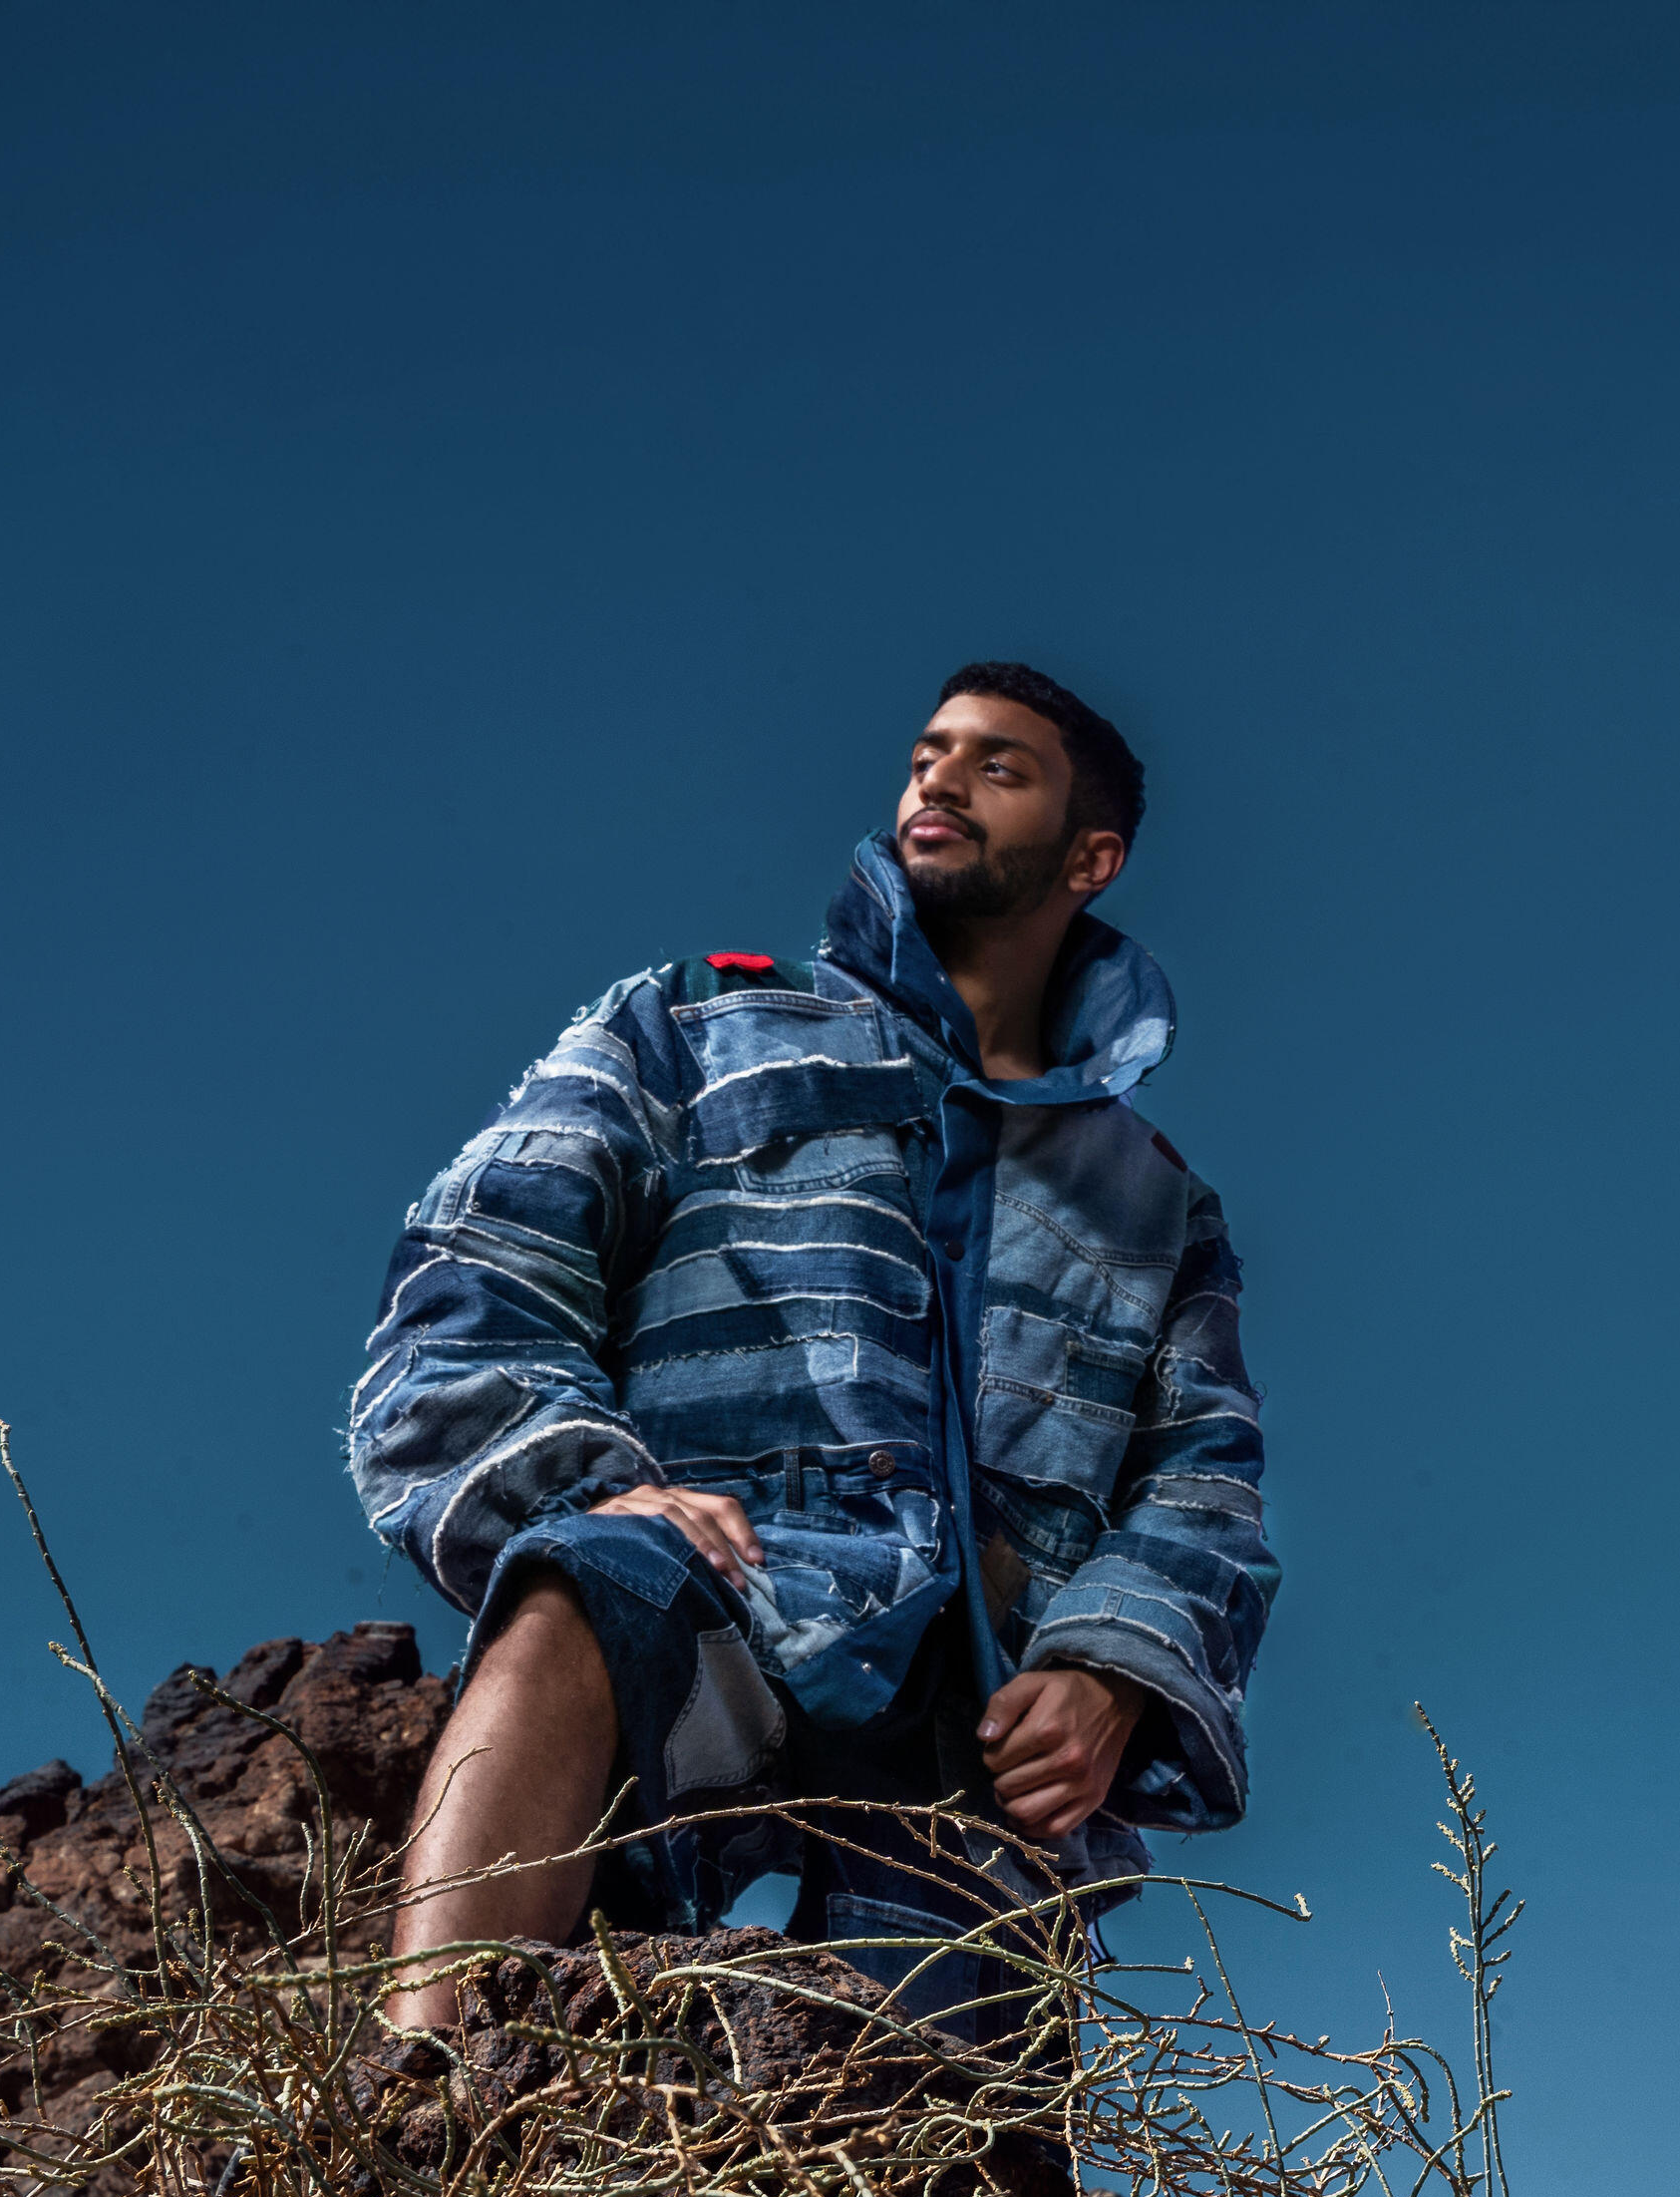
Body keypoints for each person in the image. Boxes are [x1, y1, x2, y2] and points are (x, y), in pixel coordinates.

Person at [347, 662, 1277, 2040]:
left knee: (945, 2129)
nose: (938, 778)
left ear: (1093, 858)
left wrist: (1113, 1669)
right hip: (730, 1578)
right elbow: (478, 1267)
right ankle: (409, 2109)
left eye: (999, 765)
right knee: (585, 1594)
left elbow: (1205, 1479)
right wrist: (589, 1486)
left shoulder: (1154, 1203)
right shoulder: (696, 1024)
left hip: (984, 1734)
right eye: (928, 752)